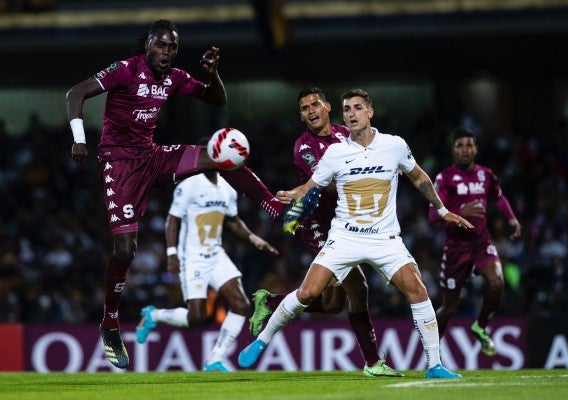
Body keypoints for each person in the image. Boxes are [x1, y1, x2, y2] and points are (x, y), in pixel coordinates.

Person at [65, 19, 282, 369]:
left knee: (217, 157)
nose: (167, 52)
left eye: (173, 47)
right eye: (162, 44)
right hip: (119, 163)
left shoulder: (175, 77)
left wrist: (213, 74)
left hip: (152, 157)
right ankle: (110, 322)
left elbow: (217, 98)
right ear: (148, 43)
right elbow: (75, 93)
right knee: (125, 250)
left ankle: (269, 202)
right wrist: (78, 138)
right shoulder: (125, 70)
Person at [238, 89, 472, 378]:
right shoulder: (317, 149)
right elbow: (316, 185)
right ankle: (263, 340)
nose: (351, 113)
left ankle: (434, 365)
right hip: (335, 231)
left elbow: (419, 175)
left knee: (408, 290)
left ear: (369, 111)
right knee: (315, 292)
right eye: (347, 109)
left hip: (384, 238)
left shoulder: (392, 145)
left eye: (357, 108)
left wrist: (443, 208)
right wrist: (291, 196)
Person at [249, 87, 400, 377]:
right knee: (358, 289)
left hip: (351, 222)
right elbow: (327, 181)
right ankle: (372, 363)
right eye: (304, 108)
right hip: (320, 226)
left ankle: (269, 301)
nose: (311, 111)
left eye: (315, 104)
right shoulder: (304, 147)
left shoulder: (347, 134)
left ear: (328, 106)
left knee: (333, 304)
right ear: (302, 116)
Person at [135, 169, 279, 372]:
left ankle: (214, 359)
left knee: (241, 305)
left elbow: (233, 220)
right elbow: (172, 220)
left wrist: (253, 238)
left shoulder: (227, 188)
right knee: (196, 318)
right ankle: (154, 315)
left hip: (216, 255)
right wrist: (171, 253)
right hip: (192, 258)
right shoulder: (188, 185)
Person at [428, 127, 522, 356]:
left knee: (497, 281)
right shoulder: (444, 178)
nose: (465, 149)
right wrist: (461, 209)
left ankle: (480, 326)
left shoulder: (485, 175)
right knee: (449, 307)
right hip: (455, 248)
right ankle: (433, 354)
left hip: (481, 242)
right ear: (453, 150)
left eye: (469, 144)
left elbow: (499, 198)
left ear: (476, 149)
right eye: (460, 145)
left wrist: (512, 219)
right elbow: (432, 216)